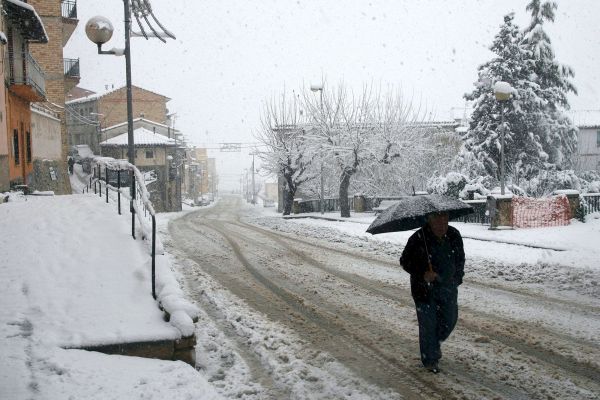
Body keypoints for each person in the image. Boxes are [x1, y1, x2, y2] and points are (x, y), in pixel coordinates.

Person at [399, 211, 465, 374]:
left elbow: (460, 260)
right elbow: (405, 261)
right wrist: (423, 273)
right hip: (424, 290)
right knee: (428, 324)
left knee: (449, 320)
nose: (442, 225)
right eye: (438, 221)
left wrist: (456, 279)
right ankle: (430, 359)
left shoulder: (454, 235)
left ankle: (433, 344)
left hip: (447, 288)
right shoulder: (418, 238)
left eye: (445, 220)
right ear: (429, 221)